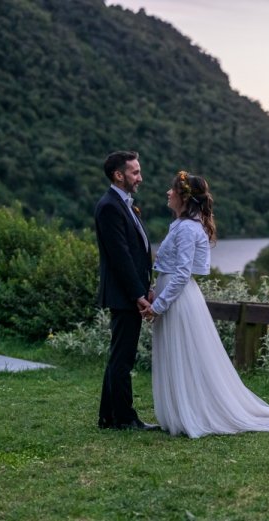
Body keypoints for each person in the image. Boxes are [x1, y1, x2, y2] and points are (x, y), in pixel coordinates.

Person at [140, 171, 269, 438]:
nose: (168, 193)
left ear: (184, 197)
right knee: (175, 353)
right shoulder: (180, 225)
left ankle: (193, 413)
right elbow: (169, 270)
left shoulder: (189, 229)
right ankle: (179, 412)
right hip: (170, 294)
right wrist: (156, 292)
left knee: (185, 355)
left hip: (178, 300)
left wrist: (159, 305)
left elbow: (182, 273)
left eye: (172, 190)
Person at [94, 151, 159, 430]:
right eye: (134, 172)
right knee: (123, 358)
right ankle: (124, 418)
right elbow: (121, 257)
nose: (140, 177)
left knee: (119, 355)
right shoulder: (110, 206)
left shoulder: (124, 205)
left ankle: (108, 417)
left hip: (129, 293)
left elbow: (137, 252)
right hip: (124, 296)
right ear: (118, 175)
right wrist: (138, 296)